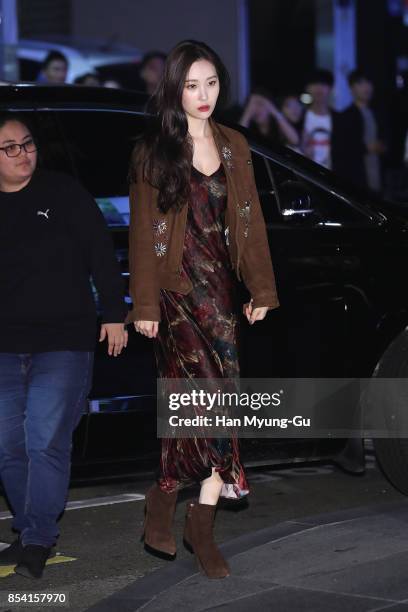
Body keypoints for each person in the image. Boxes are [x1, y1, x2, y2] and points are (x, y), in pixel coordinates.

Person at [126, 40, 279, 579]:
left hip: (221, 298)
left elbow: (252, 224)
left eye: (211, 82)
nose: (203, 94)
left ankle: (194, 515)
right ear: (175, 89)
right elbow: (143, 235)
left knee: (221, 409)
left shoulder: (235, 145)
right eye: (192, 85)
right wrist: (143, 303)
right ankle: (169, 500)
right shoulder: (153, 151)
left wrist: (261, 289)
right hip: (175, 295)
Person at [0, 114, 128, 579]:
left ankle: (36, 538)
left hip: (64, 342)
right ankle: (30, 527)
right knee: (8, 446)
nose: (23, 154)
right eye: (10, 148)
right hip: (5, 347)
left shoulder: (62, 193)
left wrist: (114, 314)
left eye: (27, 144)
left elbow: (101, 254)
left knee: (44, 440)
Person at [335, 70, 386, 192]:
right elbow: (342, 150)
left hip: (379, 177)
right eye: (360, 83)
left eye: (369, 83)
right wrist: (366, 148)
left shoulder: (378, 113)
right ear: (351, 88)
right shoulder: (345, 116)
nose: (366, 87)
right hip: (356, 181)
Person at [302, 69, 340, 169]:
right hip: (306, 173)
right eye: (314, 84)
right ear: (307, 88)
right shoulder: (301, 117)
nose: (318, 88)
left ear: (330, 88)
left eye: (323, 84)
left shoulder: (340, 119)